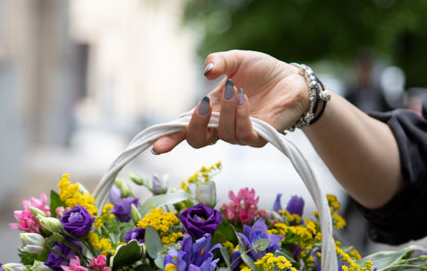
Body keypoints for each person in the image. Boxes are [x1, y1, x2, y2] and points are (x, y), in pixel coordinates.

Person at [152, 50, 427, 245]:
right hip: (364, 176)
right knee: (353, 210)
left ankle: (358, 241)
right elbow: (413, 180)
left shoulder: (380, 91)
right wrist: (305, 95)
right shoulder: (356, 89)